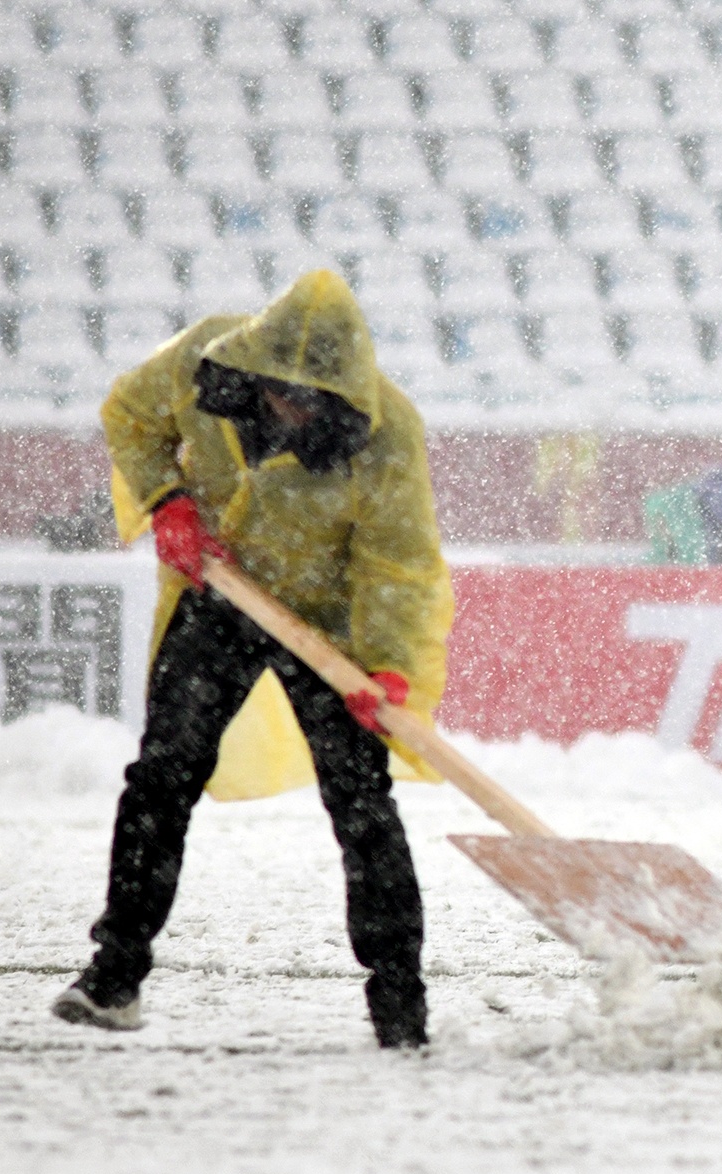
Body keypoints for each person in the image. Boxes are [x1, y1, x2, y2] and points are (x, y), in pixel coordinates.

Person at [52, 271, 453, 1048]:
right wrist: (164, 500)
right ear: (254, 371)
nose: (293, 410)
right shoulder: (200, 363)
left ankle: (400, 1008)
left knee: (361, 805)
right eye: (282, 392)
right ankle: (114, 975)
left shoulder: (386, 434)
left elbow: (399, 566)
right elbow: (130, 417)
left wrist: (388, 668)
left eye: (313, 400)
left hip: (329, 624)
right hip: (221, 596)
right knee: (162, 778)